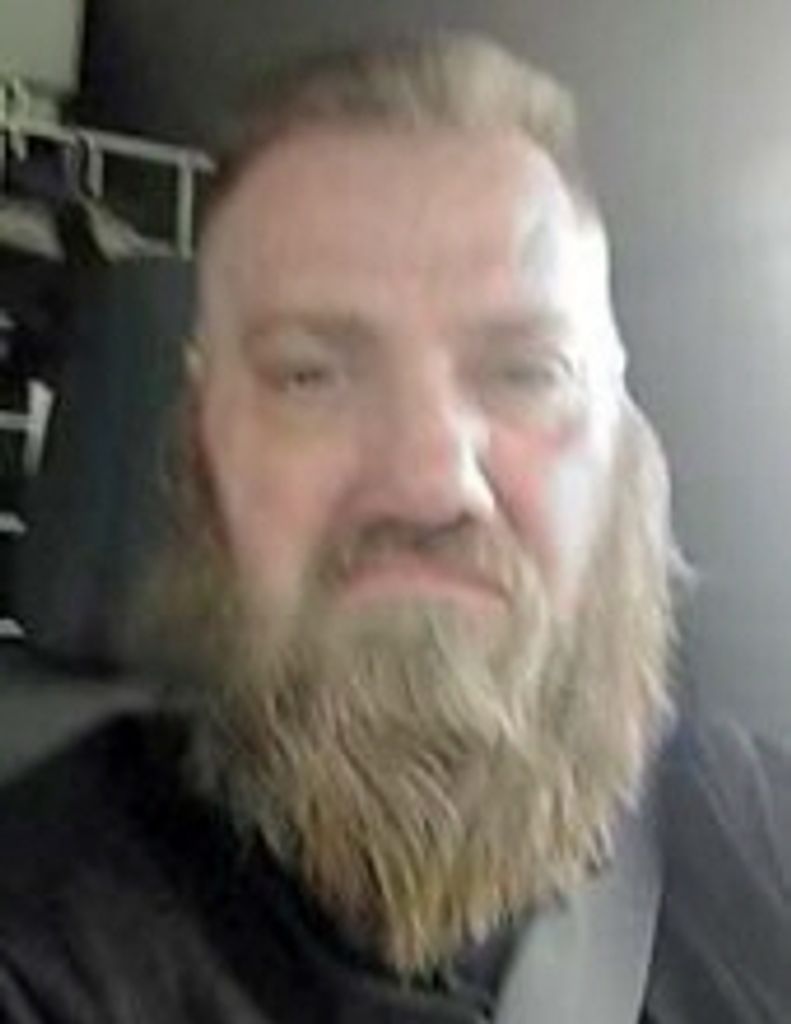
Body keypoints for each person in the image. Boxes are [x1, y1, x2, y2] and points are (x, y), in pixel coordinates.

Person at [0, 33, 789, 1024]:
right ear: (200, 453)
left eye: (526, 373)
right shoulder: (40, 940)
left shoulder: (757, 848)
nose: (429, 483)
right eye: (309, 375)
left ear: (629, 454)